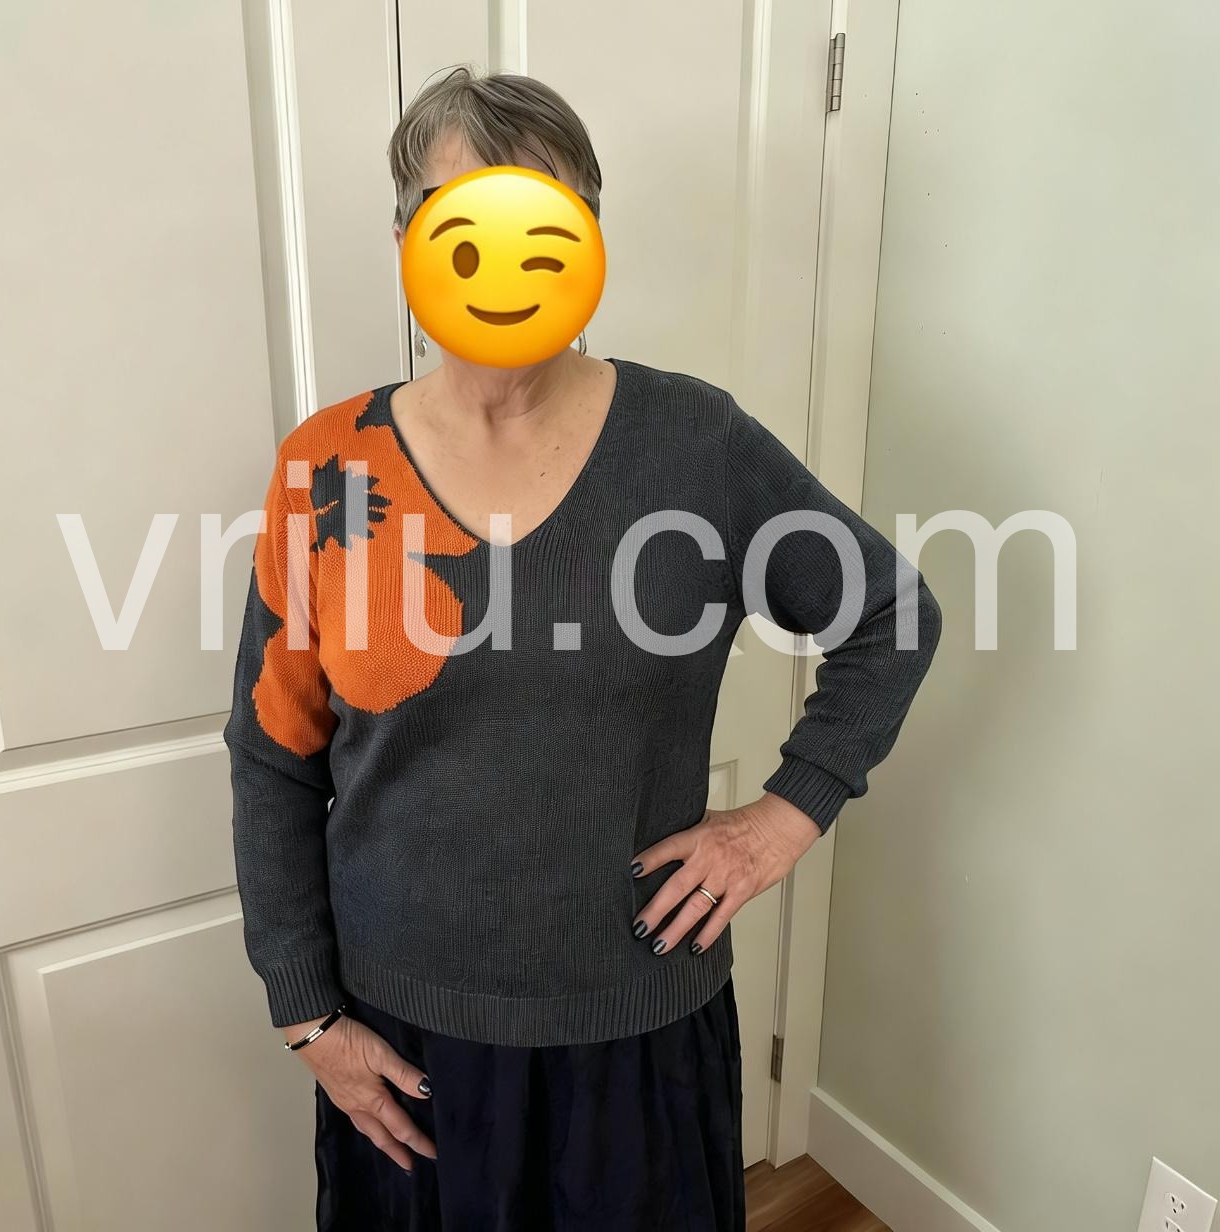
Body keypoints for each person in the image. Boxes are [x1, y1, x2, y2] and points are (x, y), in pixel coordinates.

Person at [223, 64, 942, 1231]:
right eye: (461, 216)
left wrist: (786, 815)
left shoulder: (693, 445)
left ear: (587, 239)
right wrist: (307, 1014)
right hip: (403, 1040)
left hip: (637, 1020)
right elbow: (272, 751)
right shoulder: (329, 467)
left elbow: (892, 612)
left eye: (542, 215)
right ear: (407, 240)